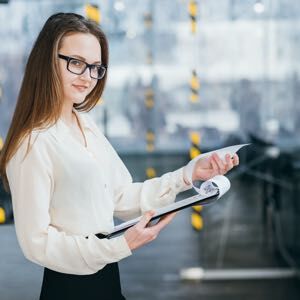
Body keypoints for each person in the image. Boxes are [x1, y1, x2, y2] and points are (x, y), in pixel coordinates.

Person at [0, 13, 239, 300]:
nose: (87, 77)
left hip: (108, 279)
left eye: (95, 67)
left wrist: (189, 175)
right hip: (69, 289)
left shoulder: (84, 123)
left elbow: (120, 197)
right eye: (76, 63)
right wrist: (119, 245)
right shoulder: (33, 142)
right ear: (48, 61)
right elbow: (36, 243)